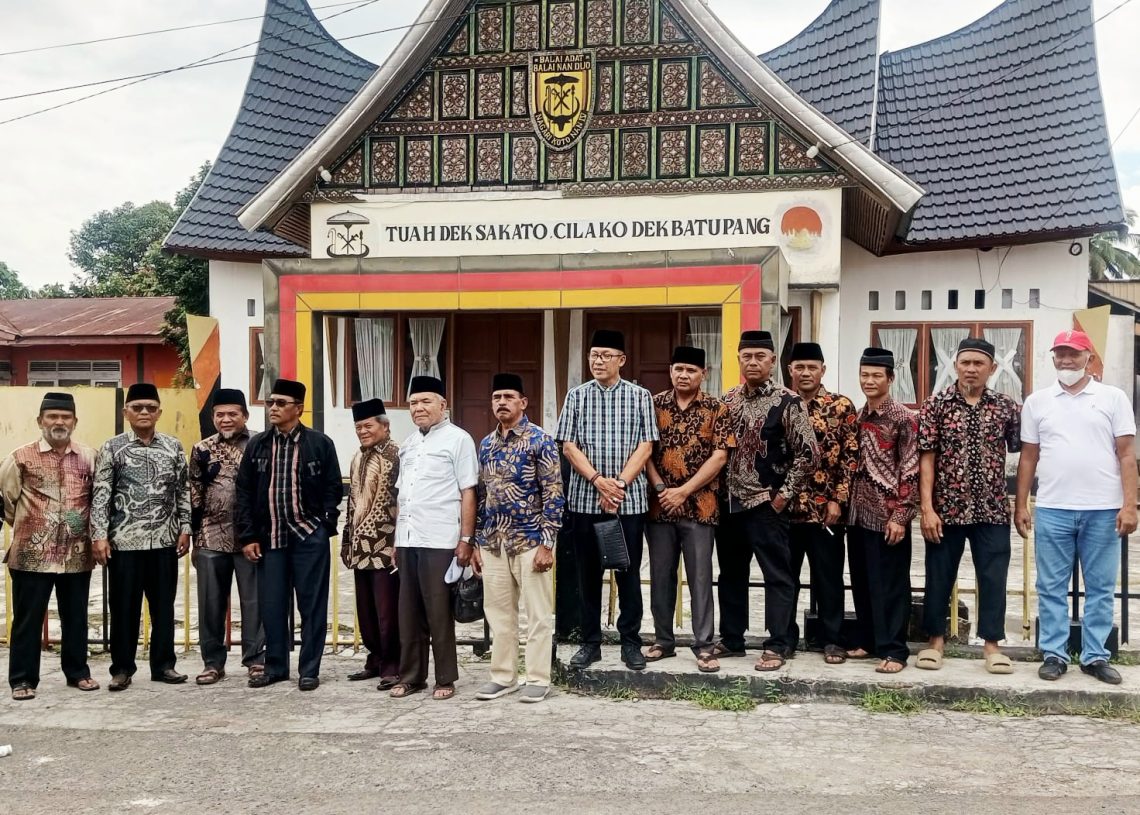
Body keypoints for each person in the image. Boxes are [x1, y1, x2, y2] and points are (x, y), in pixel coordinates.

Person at [1016, 329, 1137, 685]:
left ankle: (1095, 655)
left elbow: (1127, 455)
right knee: (1051, 586)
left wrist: (1131, 505)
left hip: (1103, 509)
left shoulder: (1113, 398)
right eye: (1060, 354)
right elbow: (1028, 457)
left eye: (1074, 354)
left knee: (1100, 586)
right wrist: (1021, 504)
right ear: (1053, 358)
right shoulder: (1038, 402)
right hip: (1054, 507)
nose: (1066, 360)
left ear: (1089, 359)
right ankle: (1054, 653)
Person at [715, 330, 818, 671]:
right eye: (748, 356)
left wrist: (782, 496)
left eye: (761, 356)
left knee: (777, 575)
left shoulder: (788, 401)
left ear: (773, 361)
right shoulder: (728, 400)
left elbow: (808, 454)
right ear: (739, 359)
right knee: (730, 574)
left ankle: (778, 643)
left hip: (766, 504)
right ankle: (731, 639)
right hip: (730, 505)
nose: (754, 362)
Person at [556, 329, 658, 671]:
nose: (598, 361)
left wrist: (619, 485)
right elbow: (568, 445)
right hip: (586, 500)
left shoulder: (640, 396)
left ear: (621, 360)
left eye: (605, 355)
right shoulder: (576, 396)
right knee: (588, 575)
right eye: (593, 355)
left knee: (627, 573)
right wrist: (599, 482)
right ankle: (590, 642)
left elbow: (646, 445)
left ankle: (631, 643)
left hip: (627, 502)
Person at [917, 338, 1020, 674]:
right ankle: (935, 642)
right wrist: (927, 508)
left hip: (991, 509)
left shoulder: (1005, 407)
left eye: (979, 363)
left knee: (993, 576)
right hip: (947, 509)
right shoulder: (936, 404)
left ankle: (992, 645)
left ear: (991, 368)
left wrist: (1021, 502)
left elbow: (1026, 450)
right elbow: (927, 459)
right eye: (965, 363)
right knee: (939, 575)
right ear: (956, 366)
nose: (971, 369)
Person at [235, 378, 342, 691]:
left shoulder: (319, 443)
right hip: (271, 538)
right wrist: (249, 536)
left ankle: (309, 670)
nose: (273, 408)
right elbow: (243, 492)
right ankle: (276, 667)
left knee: (312, 606)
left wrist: (324, 524)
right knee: (272, 606)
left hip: (308, 536)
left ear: (299, 408)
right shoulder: (257, 445)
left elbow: (333, 488)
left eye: (281, 403)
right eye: (270, 402)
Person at [92, 383, 192, 691]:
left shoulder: (173, 447)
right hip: (124, 543)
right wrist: (99, 535)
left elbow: (183, 490)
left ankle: (164, 666)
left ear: (159, 411)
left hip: (164, 541)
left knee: (164, 607)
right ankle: (122, 669)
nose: (145, 412)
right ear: (126, 412)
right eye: (138, 407)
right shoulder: (113, 448)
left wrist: (185, 527)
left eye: (150, 407)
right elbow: (102, 493)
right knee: (124, 608)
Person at [473, 373, 564, 703]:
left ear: (523, 402)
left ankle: (538, 678)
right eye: (497, 397)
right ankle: (503, 676)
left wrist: (547, 542)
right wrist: (477, 542)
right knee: (499, 614)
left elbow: (554, 493)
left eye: (509, 396)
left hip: (530, 542)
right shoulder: (486, 444)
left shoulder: (541, 441)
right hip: (494, 542)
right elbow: (482, 496)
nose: (502, 402)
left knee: (538, 615)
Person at [1, 392, 99, 699]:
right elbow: (6, 500)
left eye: (65, 417)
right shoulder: (20, 457)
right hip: (32, 556)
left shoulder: (89, 457)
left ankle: (78, 673)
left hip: (76, 555)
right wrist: (31, 527)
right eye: (52, 416)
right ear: (40, 421)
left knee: (76, 617)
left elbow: (97, 500)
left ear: (74, 421)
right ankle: (22, 679)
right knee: (28, 620)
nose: (59, 422)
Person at [644, 346, 733, 673]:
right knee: (660, 576)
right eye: (679, 369)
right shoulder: (652, 405)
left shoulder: (716, 409)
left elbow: (720, 457)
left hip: (700, 507)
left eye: (691, 370)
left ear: (703, 374)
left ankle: (704, 646)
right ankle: (663, 641)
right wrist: (660, 489)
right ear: (671, 371)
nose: (684, 375)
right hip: (659, 507)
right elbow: (645, 452)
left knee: (700, 578)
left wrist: (683, 491)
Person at [389, 376, 478, 701]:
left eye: (425, 401)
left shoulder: (459, 440)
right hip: (409, 538)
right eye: (413, 403)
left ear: (443, 405)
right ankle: (412, 676)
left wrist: (466, 539)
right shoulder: (409, 443)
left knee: (438, 610)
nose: (418, 408)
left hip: (441, 538)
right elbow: (402, 495)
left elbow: (468, 490)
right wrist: (398, 541)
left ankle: (445, 678)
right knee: (408, 611)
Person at [785, 342, 859, 665]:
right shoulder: (780, 405)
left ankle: (832, 639)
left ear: (822, 370)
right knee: (784, 579)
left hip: (825, 511)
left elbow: (850, 457)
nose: (805, 373)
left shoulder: (841, 407)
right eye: (799, 367)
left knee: (828, 577)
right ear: (790, 370)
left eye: (811, 367)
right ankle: (784, 637)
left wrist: (838, 500)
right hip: (785, 512)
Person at [846, 348, 918, 674]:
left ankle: (895, 650)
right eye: (865, 375)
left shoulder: (903, 418)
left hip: (889, 516)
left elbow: (911, 470)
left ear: (890, 378)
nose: (869, 381)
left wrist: (901, 515)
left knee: (890, 585)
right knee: (862, 580)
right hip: (858, 514)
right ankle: (870, 640)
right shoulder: (859, 417)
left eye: (877, 375)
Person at [189, 388, 265, 686]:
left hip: (250, 538)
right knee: (210, 603)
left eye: (233, 413)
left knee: (254, 602)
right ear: (213, 418)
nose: (226, 419)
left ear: (245, 415)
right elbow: (194, 493)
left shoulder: (260, 443)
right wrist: (193, 534)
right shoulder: (201, 449)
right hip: (210, 536)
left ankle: (256, 660)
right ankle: (212, 662)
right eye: (220, 414)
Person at [341, 398, 401, 690]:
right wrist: (346, 541)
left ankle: (393, 665)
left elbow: (404, 501)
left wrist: (398, 543)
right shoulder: (357, 457)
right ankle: (374, 659)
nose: (362, 431)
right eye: (358, 427)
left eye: (368, 425)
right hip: (359, 548)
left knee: (387, 612)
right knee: (365, 612)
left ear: (385, 425)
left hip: (386, 546)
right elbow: (352, 504)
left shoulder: (397, 454)